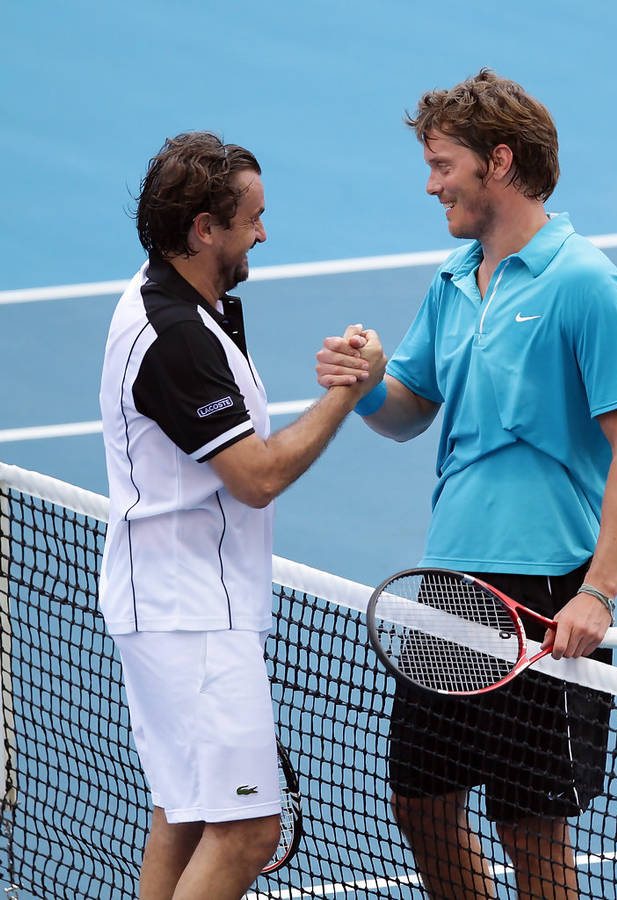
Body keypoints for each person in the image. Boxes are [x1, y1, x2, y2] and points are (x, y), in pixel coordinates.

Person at [316, 69, 617, 900]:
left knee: (529, 824)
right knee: (421, 800)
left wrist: (600, 595)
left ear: (498, 162)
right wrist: (363, 381)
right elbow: (408, 412)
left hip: (545, 590)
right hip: (449, 582)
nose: (432, 182)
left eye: (443, 163)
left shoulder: (585, 283)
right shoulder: (453, 279)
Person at [98, 131, 385, 900]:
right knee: (248, 833)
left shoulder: (183, 301)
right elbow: (256, 477)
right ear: (204, 228)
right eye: (252, 217)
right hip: (190, 616)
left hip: (175, 603)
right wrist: (345, 394)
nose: (264, 231)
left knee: (184, 815)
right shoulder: (177, 337)